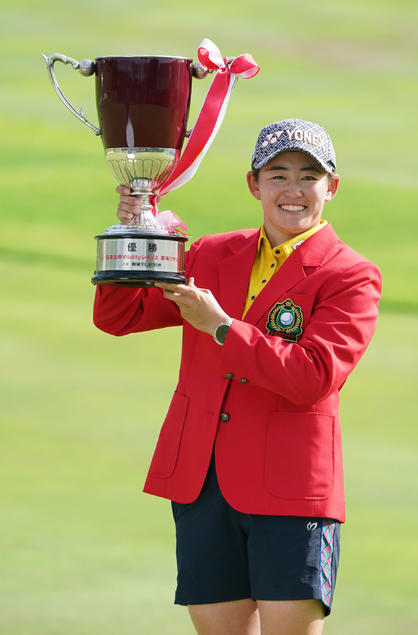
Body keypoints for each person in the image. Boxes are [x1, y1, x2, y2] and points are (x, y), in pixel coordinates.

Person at [93, 118, 382, 635]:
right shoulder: (210, 253)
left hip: (291, 490)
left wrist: (223, 329)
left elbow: (314, 376)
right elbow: (121, 316)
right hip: (202, 479)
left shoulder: (350, 274)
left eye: (309, 176)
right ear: (254, 184)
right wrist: (135, 238)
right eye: (278, 175)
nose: (293, 190)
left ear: (332, 187)